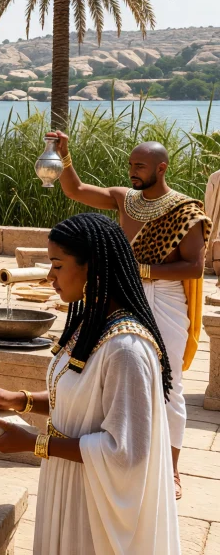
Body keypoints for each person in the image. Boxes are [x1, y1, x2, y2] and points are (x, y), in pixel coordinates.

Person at [0, 213, 180, 555]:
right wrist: (18, 400)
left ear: (93, 269)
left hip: (96, 506)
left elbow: (126, 451)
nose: (49, 275)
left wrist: (34, 444)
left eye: (57, 265)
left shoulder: (126, 349)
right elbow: (78, 400)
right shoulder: (91, 323)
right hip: (72, 481)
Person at [47, 131, 210, 499]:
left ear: (161, 167)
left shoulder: (186, 211)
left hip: (164, 300)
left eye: (140, 166)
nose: (132, 171)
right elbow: (76, 191)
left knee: (169, 384)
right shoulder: (125, 200)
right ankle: (117, 450)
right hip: (122, 293)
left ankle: (171, 469)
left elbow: (195, 267)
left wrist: (141, 271)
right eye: (130, 165)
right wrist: (65, 156)